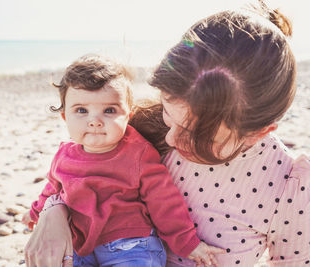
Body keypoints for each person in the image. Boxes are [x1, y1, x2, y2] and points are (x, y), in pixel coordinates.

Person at [24, 3, 310, 267]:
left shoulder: (289, 187)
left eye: (195, 135)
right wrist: (53, 211)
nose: (171, 140)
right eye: (168, 116)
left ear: (259, 132)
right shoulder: (135, 129)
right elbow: (82, 176)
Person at [23, 54, 225, 267]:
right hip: (80, 245)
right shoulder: (64, 155)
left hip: (131, 245)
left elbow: (163, 200)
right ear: (65, 116)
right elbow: (52, 189)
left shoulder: (137, 153)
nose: (95, 121)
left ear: (128, 114)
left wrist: (187, 243)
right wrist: (35, 211)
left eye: (109, 110)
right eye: (81, 110)